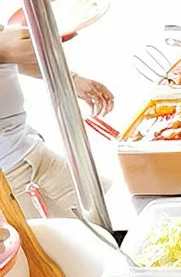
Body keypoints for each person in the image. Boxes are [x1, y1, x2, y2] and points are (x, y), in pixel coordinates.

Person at [0, 25, 114, 219]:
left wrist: (68, 79)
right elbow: (11, 47)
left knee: (107, 213)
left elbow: (16, 54)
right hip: (9, 178)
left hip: (30, 149)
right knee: (69, 245)